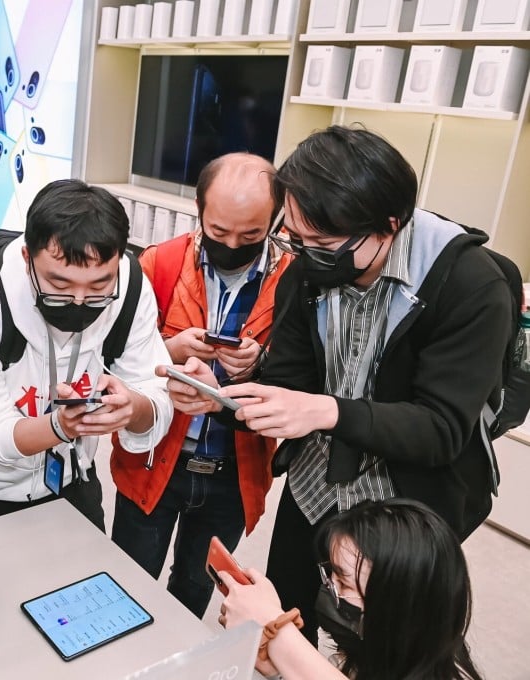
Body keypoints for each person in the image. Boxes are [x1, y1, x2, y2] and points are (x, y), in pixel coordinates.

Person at [165, 125, 511, 641]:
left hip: (404, 509)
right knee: (285, 624)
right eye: (296, 239)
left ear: (389, 225)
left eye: (324, 243)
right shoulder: (307, 272)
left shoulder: (470, 285)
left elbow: (441, 429)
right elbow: (287, 384)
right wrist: (217, 397)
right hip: (314, 489)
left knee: (380, 646)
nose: (306, 255)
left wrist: (327, 411)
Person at [0, 178, 174, 533]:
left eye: (99, 287)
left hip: (71, 481)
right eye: (59, 286)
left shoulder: (130, 289)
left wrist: (132, 407)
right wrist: (59, 426)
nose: (78, 301)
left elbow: (155, 398)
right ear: (27, 257)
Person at [111, 153, 291, 618]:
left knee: (195, 591)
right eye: (219, 233)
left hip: (234, 472)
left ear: (276, 219)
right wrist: (167, 351)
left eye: (251, 236)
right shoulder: (159, 264)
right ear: (198, 208)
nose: (233, 244)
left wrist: (260, 365)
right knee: (127, 582)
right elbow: (113, 359)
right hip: (155, 462)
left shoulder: (294, 283)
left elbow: (303, 385)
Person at [219, 499, 484, 680]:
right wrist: (280, 670)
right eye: (330, 574)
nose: (329, 588)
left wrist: (274, 627)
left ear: (401, 603)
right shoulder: (364, 655)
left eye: (344, 583)